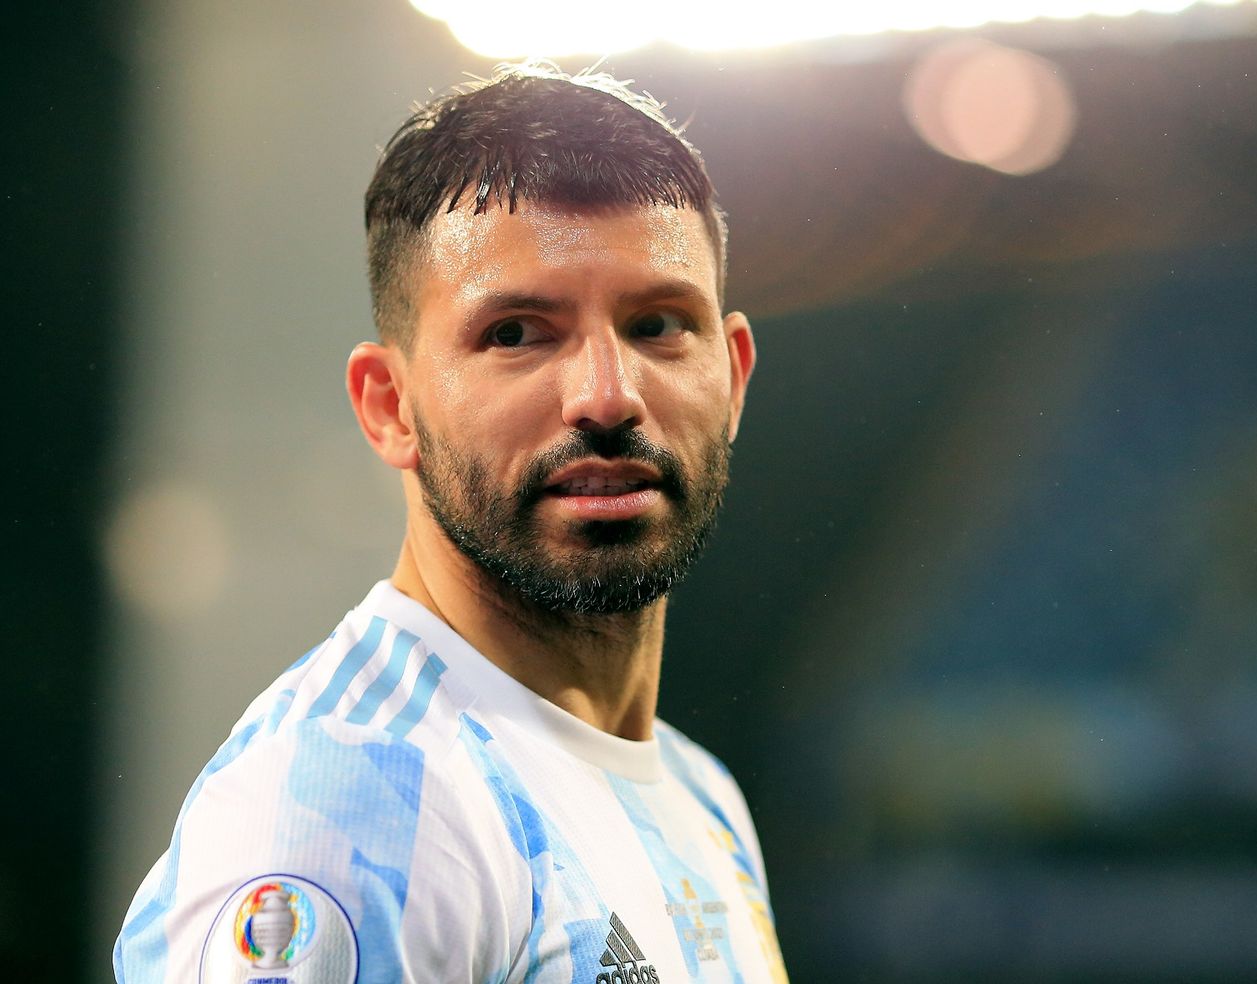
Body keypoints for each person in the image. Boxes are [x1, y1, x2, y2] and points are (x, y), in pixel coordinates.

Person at [114, 65, 783, 984]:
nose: (607, 396)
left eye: (659, 324)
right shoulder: (344, 806)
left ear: (734, 376)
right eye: (515, 333)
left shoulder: (703, 800)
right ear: (389, 405)